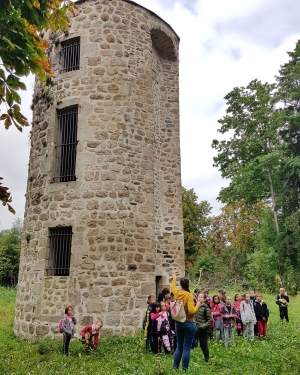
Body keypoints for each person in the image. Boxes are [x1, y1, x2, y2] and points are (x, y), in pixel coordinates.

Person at [171, 270, 201, 372]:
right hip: (189, 322)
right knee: (186, 347)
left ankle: (175, 368)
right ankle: (184, 370)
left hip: (179, 322)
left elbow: (173, 287)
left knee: (179, 346)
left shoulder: (177, 293)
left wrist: (174, 277)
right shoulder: (189, 295)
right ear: (188, 284)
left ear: (180, 284)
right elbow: (192, 311)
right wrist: (198, 304)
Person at [195, 293, 212, 362]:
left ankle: (206, 358)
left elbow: (209, 320)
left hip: (204, 329)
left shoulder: (206, 308)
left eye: (201, 297)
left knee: (204, 344)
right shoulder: (196, 307)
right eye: (199, 297)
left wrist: (202, 326)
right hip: (198, 329)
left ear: (204, 299)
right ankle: (205, 357)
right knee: (201, 344)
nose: (199, 298)